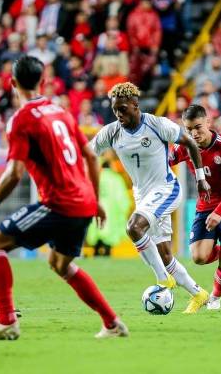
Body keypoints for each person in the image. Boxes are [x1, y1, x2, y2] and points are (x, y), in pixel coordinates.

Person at [0, 56, 126, 341]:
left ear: (12, 83)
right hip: (83, 203)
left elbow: (14, 173)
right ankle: (112, 322)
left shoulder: (21, 120)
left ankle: (5, 321)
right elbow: (90, 155)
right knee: (60, 264)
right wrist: (95, 198)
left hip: (59, 204)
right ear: (43, 81)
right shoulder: (61, 111)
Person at [90, 82, 212, 314]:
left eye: (123, 109)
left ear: (136, 106)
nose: (118, 114)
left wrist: (199, 178)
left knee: (134, 228)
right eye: (115, 110)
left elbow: (189, 143)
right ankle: (199, 294)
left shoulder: (157, 124)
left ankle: (162, 280)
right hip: (143, 196)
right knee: (165, 255)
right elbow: (88, 153)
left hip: (166, 189)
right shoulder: (112, 131)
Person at [169, 105, 221, 310]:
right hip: (205, 205)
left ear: (208, 123)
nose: (194, 133)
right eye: (189, 129)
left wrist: (220, 213)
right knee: (198, 257)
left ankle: (215, 298)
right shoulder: (185, 146)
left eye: (198, 127)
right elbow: (166, 161)